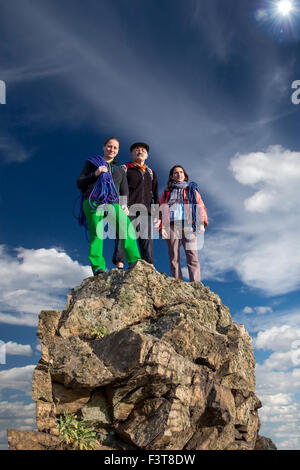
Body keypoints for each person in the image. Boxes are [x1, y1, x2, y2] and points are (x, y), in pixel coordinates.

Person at [77, 137, 141, 275]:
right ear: (104, 147)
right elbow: (80, 183)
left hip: (113, 202)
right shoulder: (92, 163)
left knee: (126, 228)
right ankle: (98, 267)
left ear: (117, 151)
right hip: (93, 200)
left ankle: (135, 261)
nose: (112, 149)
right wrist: (96, 173)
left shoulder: (120, 171)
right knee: (97, 233)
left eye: (115, 148)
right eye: (109, 146)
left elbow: (124, 191)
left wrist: (124, 205)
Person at [112, 142, 159, 269]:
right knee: (123, 235)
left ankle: (149, 267)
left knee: (146, 239)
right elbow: (118, 188)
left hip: (146, 211)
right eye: (137, 150)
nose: (140, 151)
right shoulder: (124, 168)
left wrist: (157, 214)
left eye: (143, 150)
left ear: (147, 155)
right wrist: (122, 204)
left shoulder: (151, 173)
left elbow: (155, 194)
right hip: (128, 208)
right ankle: (120, 265)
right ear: (132, 154)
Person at [159, 165, 208, 282]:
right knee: (173, 256)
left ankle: (196, 283)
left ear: (184, 175)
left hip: (188, 224)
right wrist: (161, 227)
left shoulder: (192, 190)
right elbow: (160, 210)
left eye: (181, 172)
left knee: (192, 255)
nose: (179, 174)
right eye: (176, 173)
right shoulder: (167, 193)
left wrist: (201, 223)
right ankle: (177, 282)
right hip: (171, 225)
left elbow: (200, 206)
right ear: (172, 176)